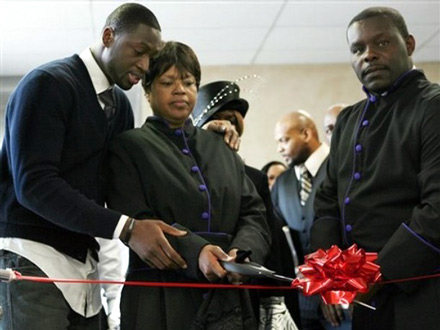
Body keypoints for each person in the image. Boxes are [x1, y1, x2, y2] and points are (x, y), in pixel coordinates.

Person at [105, 41, 271, 330]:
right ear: (147, 90)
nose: (180, 90)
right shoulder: (128, 146)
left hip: (228, 292)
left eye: (189, 82)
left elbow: (253, 213)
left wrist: (243, 253)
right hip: (160, 294)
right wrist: (199, 252)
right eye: (168, 82)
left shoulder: (220, 146)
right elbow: (137, 219)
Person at [310, 7, 440, 330]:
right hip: (363, 300)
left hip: (422, 293)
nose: (368, 55)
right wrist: (331, 278)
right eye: (358, 49)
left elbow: (436, 209)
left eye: (381, 43)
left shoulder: (433, 106)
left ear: (408, 44)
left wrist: (373, 275)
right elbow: (326, 203)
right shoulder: (347, 121)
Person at [192, 80, 299, 329]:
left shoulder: (254, 179)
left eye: (233, 120)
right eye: (220, 118)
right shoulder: (180, 174)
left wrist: (276, 305)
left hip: (243, 293)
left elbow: (270, 246)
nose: (227, 126)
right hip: (191, 290)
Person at [272, 110, 351, 330]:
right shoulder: (282, 183)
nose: (279, 149)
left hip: (344, 298)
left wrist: (333, 285)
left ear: (306, 134)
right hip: (302, 302)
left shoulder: (343, 167)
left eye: (284, 140)